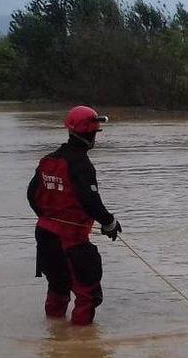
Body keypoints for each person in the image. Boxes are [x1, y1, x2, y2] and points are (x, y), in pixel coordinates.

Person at [27, 106, 122, 325]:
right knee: (88, 294)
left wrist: (49, 217)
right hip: (71, 240)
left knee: (58, 287)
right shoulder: (81, 164)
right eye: (96, 133)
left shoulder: (48, 160)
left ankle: (54, 338)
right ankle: (82, 347)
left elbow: (32, 196)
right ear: (91, 134)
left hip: (44, 235)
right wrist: (109, 223)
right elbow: (90, 201)